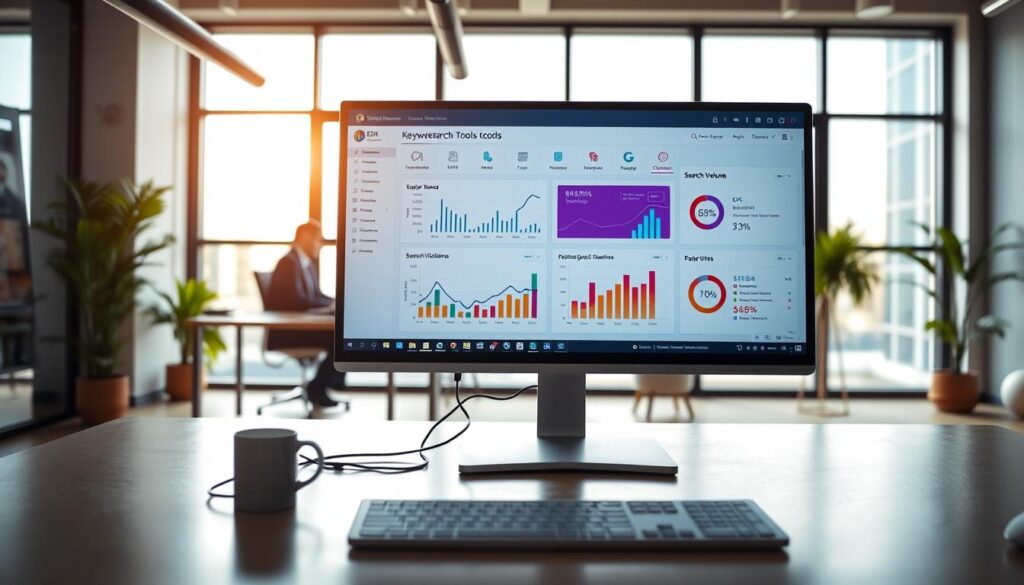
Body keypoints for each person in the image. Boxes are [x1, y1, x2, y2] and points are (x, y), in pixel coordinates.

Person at [266, 220, 345, 407]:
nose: (320, 245)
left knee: (340, 335)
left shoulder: (306, 264)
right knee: (339, 338)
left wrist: (335, 302)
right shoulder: (288, 263)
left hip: (301, 328)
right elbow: (294, 300)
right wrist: (325, 308)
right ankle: (319, 387)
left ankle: (322, 386)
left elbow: (315, 296)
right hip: (289, 333)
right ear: (304, 237)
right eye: (318, 240)